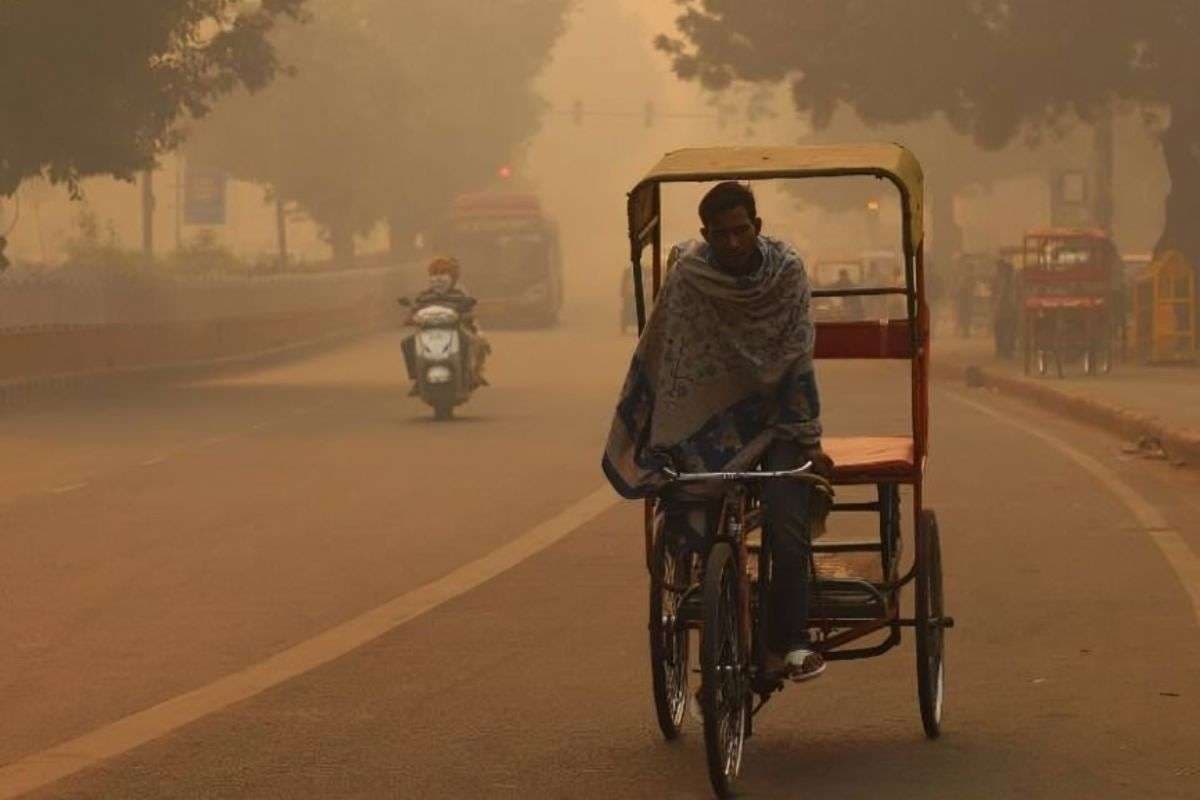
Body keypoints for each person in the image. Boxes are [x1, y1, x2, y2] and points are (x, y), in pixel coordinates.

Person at [602, 181, 831, 681]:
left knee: (786, 525)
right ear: (705, 234)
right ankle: (711, 602)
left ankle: (793, 642)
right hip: (709, 424)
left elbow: (796, 355)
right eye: (721, 234)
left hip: (778, 420)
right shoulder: (690, 275)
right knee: (689, 504)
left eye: (741, 231)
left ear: (757, 227)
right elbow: (672, 354)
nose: (732, 242)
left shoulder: (787, 271)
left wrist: (807, 437)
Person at [408, 257, 490, 389]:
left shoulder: (459, 295)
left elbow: (469, 312)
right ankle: (417, 376)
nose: (438, 278)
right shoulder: (423, 296)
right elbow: (414, 311)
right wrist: (410, 318)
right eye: (434, 274)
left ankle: (470, 373)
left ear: (453, 278)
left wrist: (465, 316)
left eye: (443, 273)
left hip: (454, 331)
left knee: (471, 341)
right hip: (427, 332)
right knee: (407, 343)